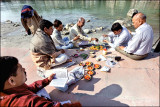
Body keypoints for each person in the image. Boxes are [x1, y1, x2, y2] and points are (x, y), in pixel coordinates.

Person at [0, 56, 81, 107]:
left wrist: (47, 80)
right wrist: (75, 104)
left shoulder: (9, 89)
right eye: (21, 70)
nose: (24, 69)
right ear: (11, 80)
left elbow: (29, 88)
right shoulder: (27, 102)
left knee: (40, 88)